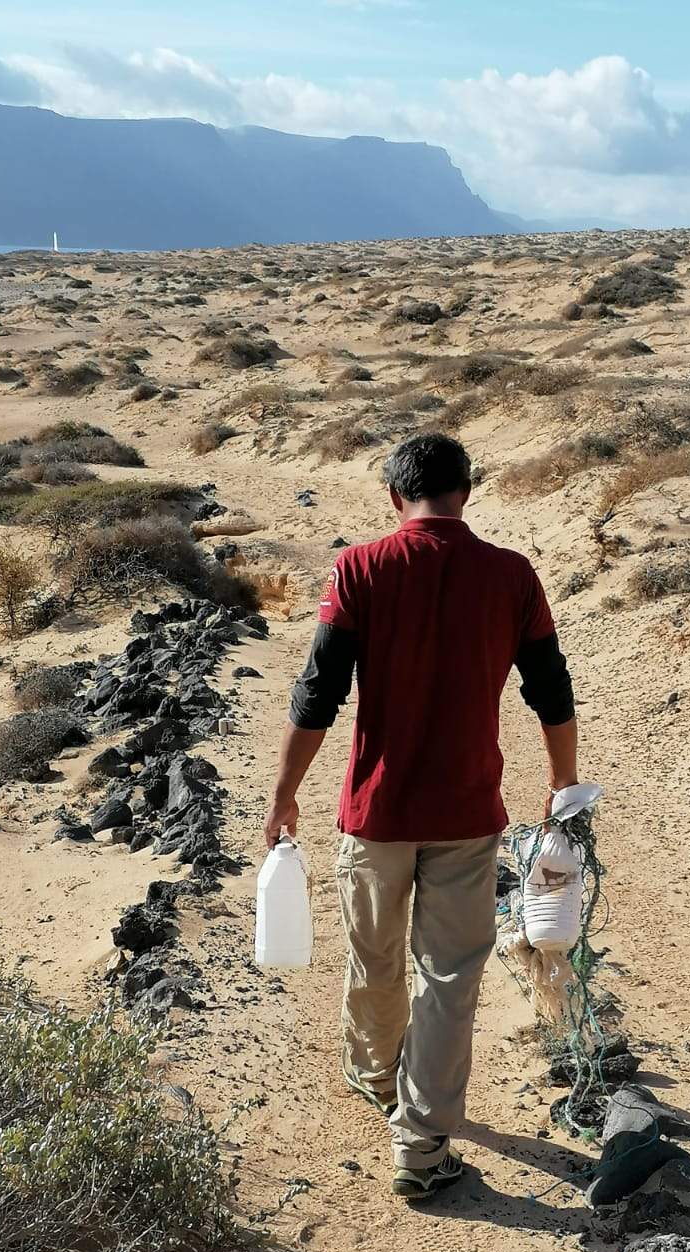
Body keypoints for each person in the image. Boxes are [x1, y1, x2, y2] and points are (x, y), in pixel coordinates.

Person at [263, 432, 578, 1203]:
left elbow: (318, 691)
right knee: (450, 975)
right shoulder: (512, 576)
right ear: (468, 491)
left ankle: (378, 1079)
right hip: (468, 812)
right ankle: (423, 1139)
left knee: (374, 959)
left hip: (375, 814)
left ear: (393, 497)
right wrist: (563, 781)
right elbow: (552, 689)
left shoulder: (359, 568)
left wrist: (283, 793)